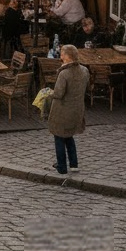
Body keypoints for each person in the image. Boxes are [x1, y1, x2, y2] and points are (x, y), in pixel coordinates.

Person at [48, 44, 89, 175]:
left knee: (59, 136)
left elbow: (59, 94)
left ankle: (61, 166)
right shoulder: (84, 70)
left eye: (62, 54)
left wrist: (49, 93)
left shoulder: (64, 73)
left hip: (63, 110)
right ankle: (74, 164)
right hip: (77, 109)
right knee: (69, 136)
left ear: (68, 56)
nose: (61, 56)